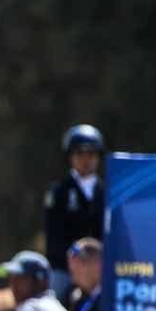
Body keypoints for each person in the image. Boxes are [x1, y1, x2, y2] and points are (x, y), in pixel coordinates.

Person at [44, 124, 105, 296]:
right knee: (54, 300)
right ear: (71, 157)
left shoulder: (107, 192)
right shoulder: (58, 192)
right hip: (67, 267)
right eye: (80, 154)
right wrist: (76, 264)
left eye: (91, 154)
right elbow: (54, 236)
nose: (86, 160)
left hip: (100, 267)